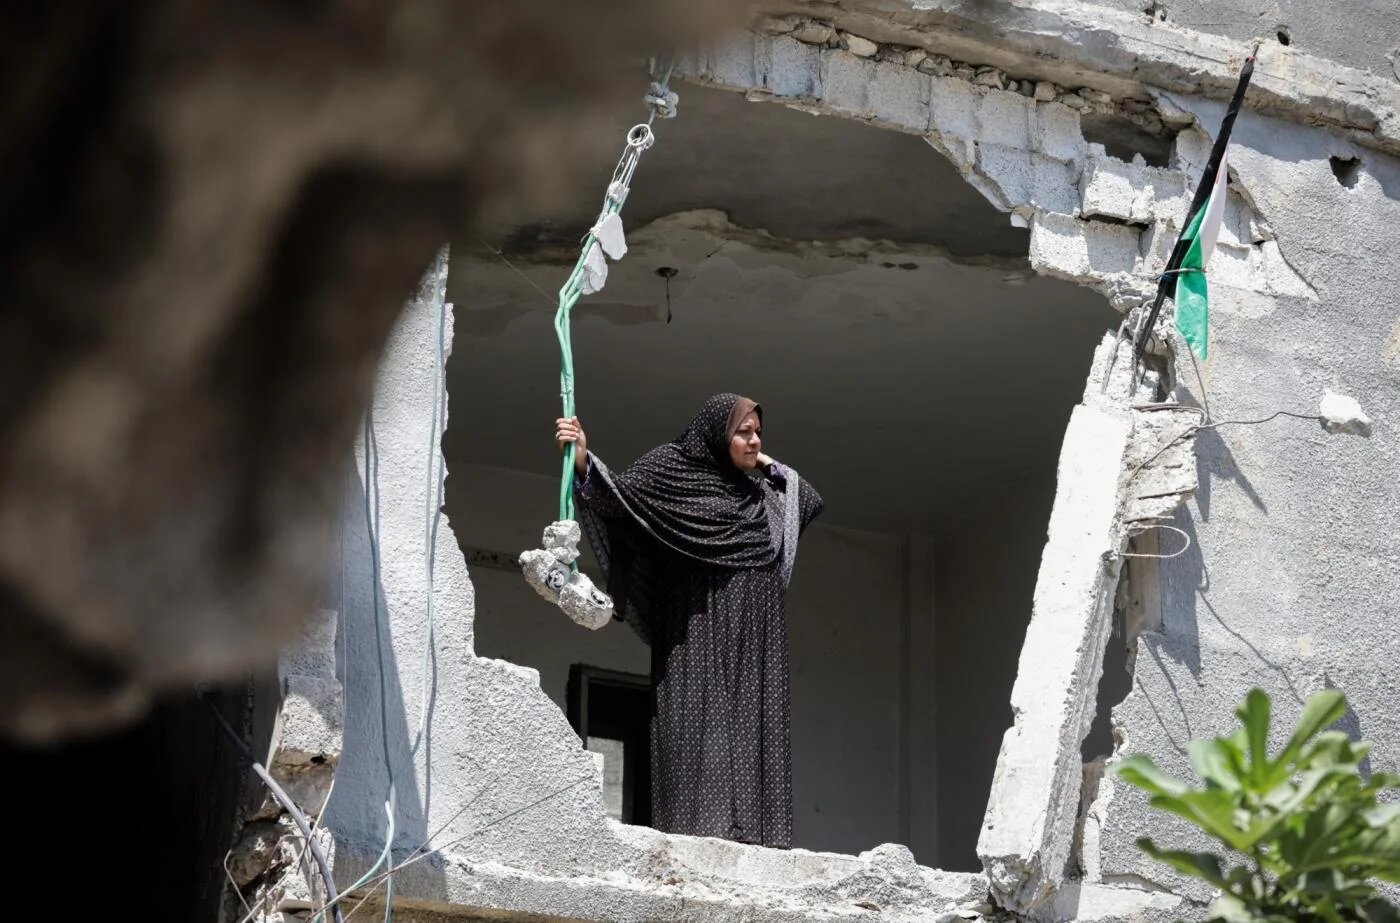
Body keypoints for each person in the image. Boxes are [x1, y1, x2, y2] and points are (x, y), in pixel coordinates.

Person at [554, 393, 823, 849]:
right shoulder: (672, 468)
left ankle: (758, 840)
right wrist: (582, 460)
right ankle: (699, 836)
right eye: (743, 431)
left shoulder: (759, 496)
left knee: (752, 729)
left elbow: (809, 498)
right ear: (716, 434)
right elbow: (621, 500)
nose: (754, 439)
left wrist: (757, 459)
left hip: (756, 637)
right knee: (702, 732)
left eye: (759, 431)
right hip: (696, 629)